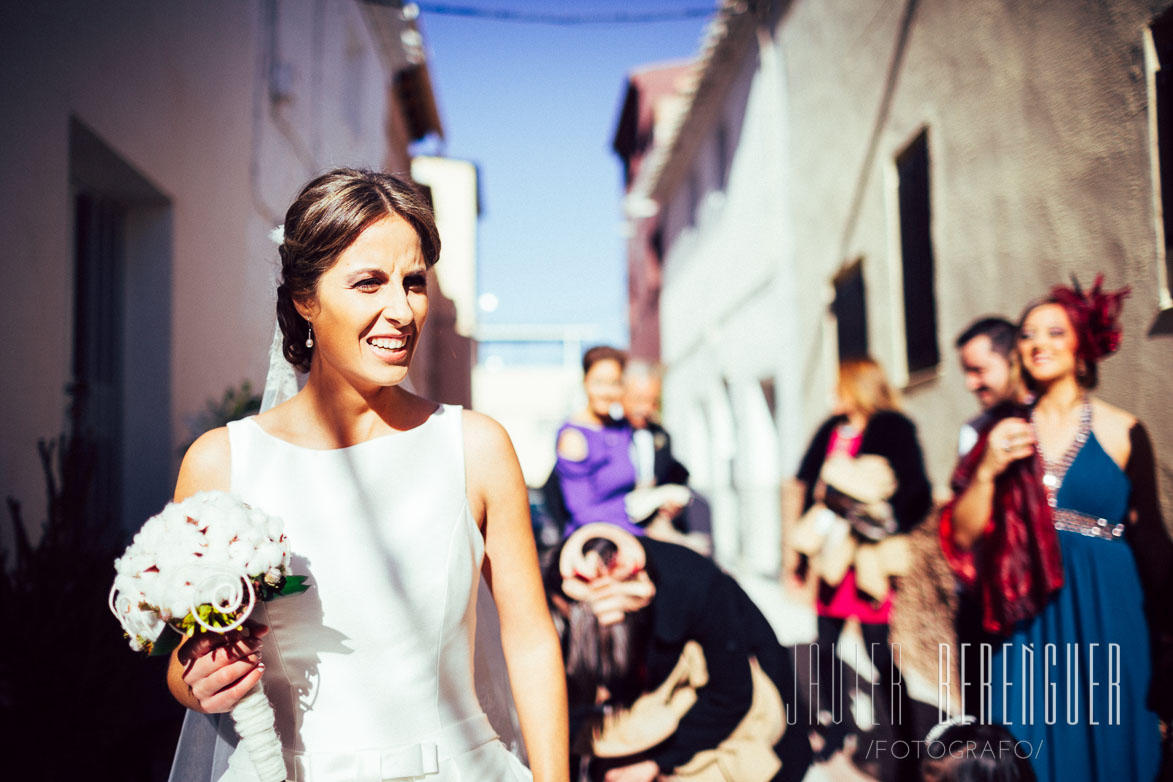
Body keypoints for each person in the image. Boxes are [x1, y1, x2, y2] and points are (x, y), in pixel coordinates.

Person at [166, 169, 568, 781]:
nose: (402, 310)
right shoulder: (222, 462)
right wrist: (199, 679)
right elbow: (183, 664)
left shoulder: (477, 447)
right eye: (369, 283)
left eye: (414, 283)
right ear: (306, 298)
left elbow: (531, 640)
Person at [941, 276, 1172, 782]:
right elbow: (961, 536)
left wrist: (1168, 644)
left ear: (1082, 343)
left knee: (1111, 743)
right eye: (1027, 335)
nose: (1037, 343)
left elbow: (1152, 543)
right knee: (1027, 749)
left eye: (1053, 332)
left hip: (1108, 613)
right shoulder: (995, 430)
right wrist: (986, 472)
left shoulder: (1123, 430)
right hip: (1024, 620)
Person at [546, 523, 814, 782]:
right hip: (676, 699)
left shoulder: (693, 585)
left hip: (746, 693)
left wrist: (654, 763)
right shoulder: (564, 590)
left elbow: (731, 695)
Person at [784, 357, 932, 775]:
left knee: (878, 649)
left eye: (839, 386)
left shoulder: (893, 428)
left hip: (869, 556)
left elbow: (915, 488)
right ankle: (837, 728)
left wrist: (887, 522)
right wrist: (798, 556)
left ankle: (904, 738)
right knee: (826, 645)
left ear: (856, 387)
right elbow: (807, 485)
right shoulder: (830, 431)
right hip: (832, 554)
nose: (832, 394)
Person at [622, 360, 711, 550]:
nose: (646, 408)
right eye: (639, 399)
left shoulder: (661, 436)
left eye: (653, 401)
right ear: (622, 395)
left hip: (656, 527)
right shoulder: (609, 436)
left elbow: (673, 475)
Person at [954, 317, 1023, 458]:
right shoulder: (973, 432)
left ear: (1013, 361)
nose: (970, 385)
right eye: (967, 372)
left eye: (978, 370)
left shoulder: (1047, 418)